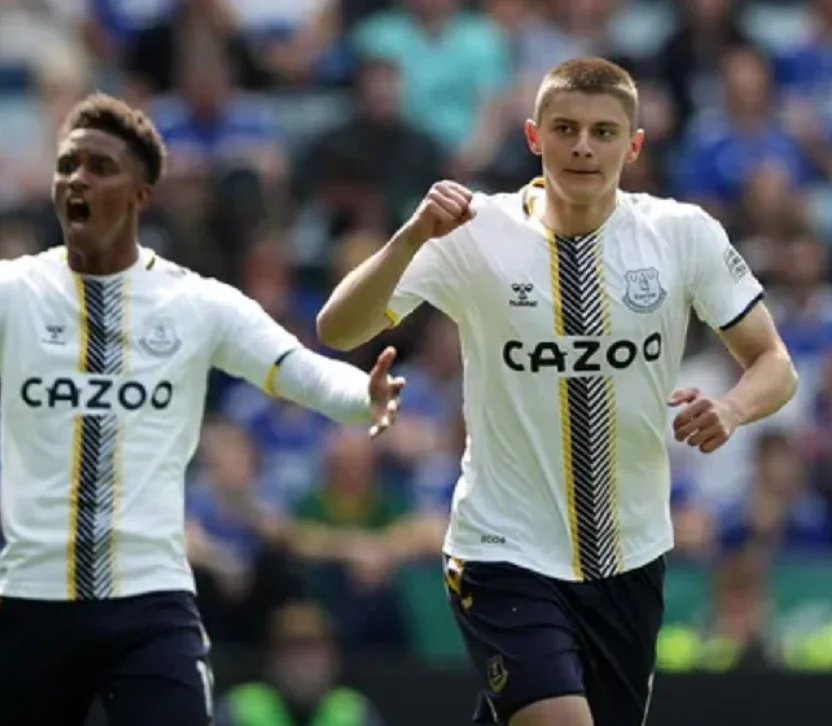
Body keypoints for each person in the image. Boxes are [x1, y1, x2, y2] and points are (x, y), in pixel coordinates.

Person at [317, 57, 798, 726]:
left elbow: (775, 363)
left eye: (604, 132)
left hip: (630, 554)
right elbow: (338, 329)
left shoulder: (681, 234)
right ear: (533, 136)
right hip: (502, 548)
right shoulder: (472, 231)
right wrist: (409, 237)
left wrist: (733, 408)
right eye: (565, 128)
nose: (582, 147)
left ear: (634, 145)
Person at [0, 93, 404, 726]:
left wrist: (361, 396)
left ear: (141, 195)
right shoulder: (9, 291)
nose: (77, 180)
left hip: (149, 602)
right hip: (32, 601)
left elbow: (297, 369)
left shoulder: (196, 304)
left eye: (100, 167)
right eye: (67, 165)